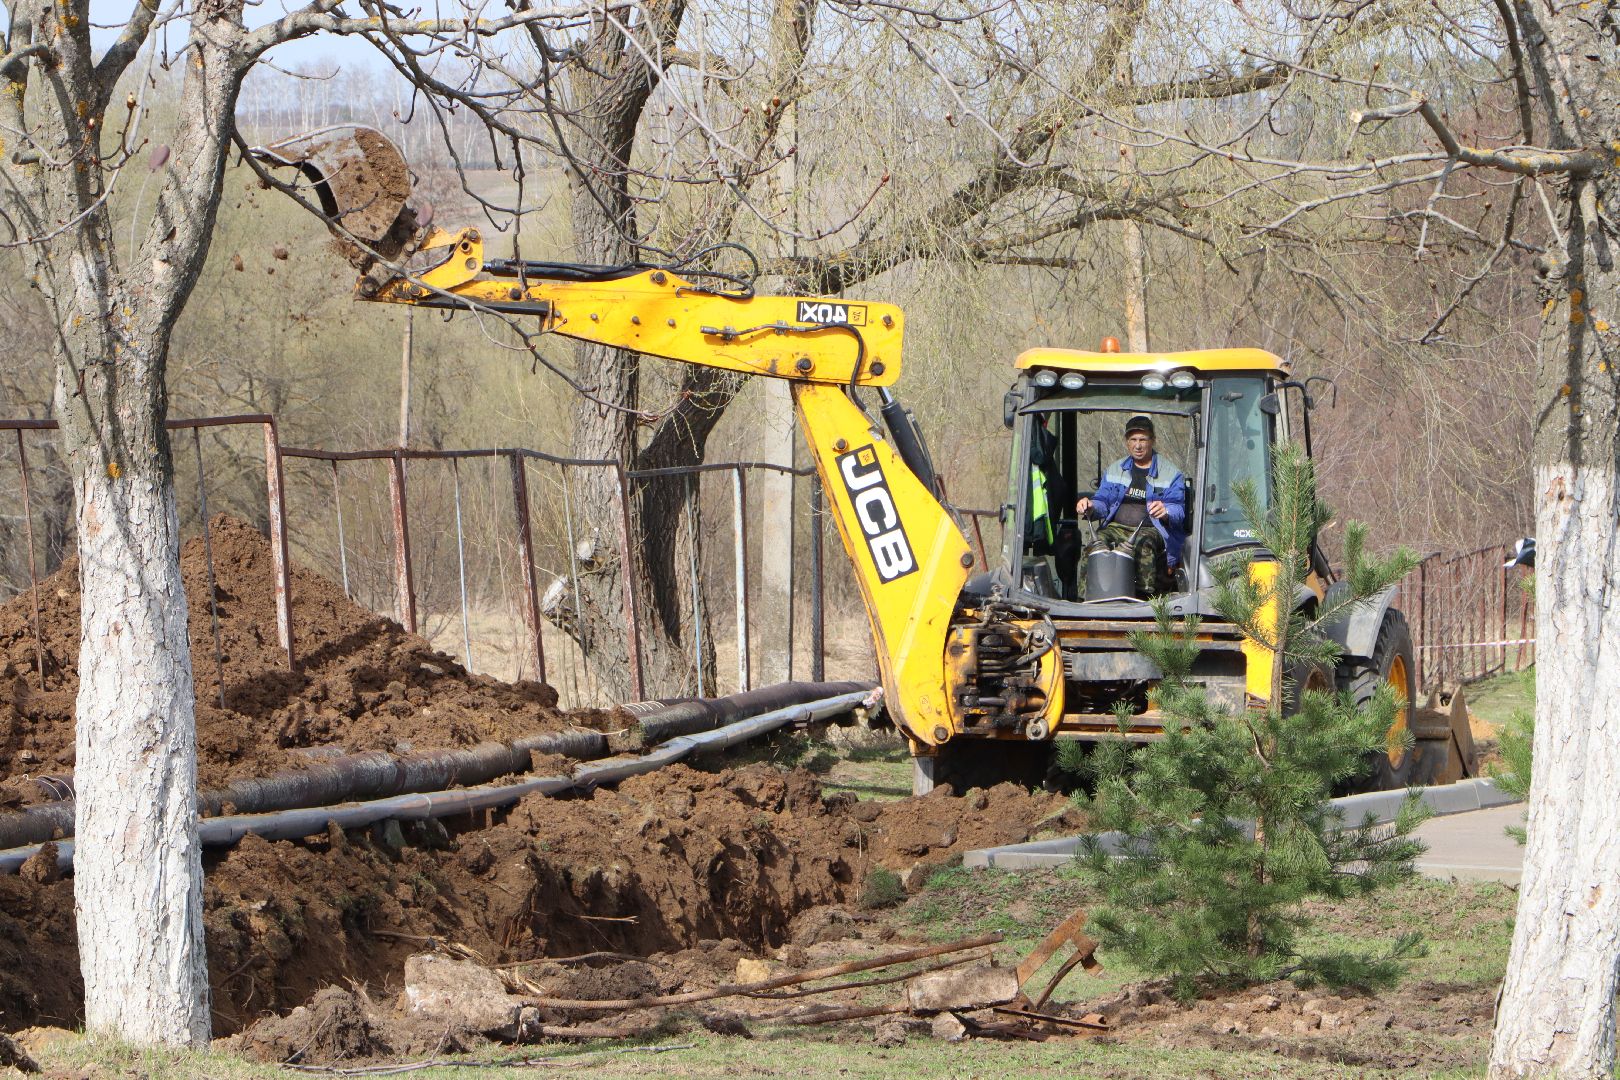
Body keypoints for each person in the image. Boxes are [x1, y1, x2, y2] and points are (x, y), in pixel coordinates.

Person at [1076, 414, 1186, 596]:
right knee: (1095, 543)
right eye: (1133, 439)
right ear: (1127, 442)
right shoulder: (1114, 469)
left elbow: (1179, 510)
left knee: (1144, 544)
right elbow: (1102, 501)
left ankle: (1143, 599)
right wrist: (1090, 506)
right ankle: (1086, 596)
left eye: (1143, 439)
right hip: (1117, 527)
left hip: (1152, 529)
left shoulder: (1171, 473)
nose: (1138, 445)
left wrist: (1165, 511)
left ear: (1153, 440)